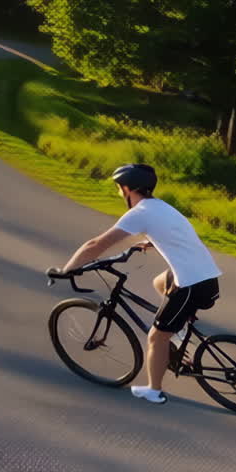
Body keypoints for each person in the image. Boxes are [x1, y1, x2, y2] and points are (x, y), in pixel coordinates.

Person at [51, 164, 222, 404]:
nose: (120, 193)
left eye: (120, 189)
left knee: (156, 337)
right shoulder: (160, 207)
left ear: (127, 188)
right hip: (207, 278)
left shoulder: (140, 213)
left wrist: (66, 270)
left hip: (192, 285)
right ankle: (180, 330)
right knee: (160, 282)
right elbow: (177, 233)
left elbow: (95, 245)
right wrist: (151, 241)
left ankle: (154, 391)